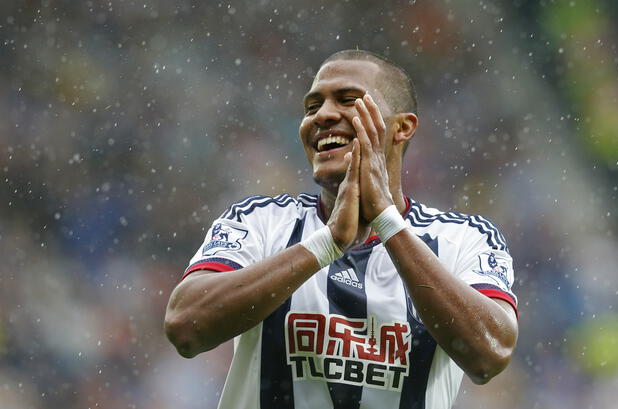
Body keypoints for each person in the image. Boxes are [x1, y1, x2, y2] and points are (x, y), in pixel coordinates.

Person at [165, 49, 518, 409]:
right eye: (312, 106)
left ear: (403, 127)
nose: (323, 115)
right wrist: (325, 245)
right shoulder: (259, 221)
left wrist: (387, 220)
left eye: (348, 100)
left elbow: (489, 354)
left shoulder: (464, 239)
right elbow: (186, 326)